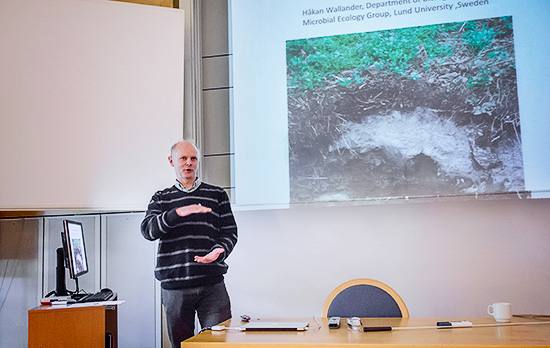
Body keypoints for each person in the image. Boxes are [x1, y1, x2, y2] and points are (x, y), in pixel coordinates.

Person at [141, 140, 238, 347]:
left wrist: (218, 251)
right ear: (171, 161)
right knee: (182, 345)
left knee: (219, 343)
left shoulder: (217, 195)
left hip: (212, 285)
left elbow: (230, 232)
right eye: (183, 158)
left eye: (193, 158)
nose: (188, 163)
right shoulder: (161, 198)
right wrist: (176, 213)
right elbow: (148, 231)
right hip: (175, 287)